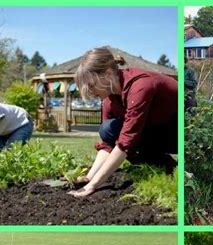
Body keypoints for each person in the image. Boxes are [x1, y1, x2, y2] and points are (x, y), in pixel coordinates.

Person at [70, 47, 178, 198]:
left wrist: (92, 186)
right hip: (157, 129)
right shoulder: (109, 98)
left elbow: (125, 142)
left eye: (92, 85)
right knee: (107, 129)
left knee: (122, 136)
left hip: (180, 132)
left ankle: (178, 168)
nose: (91, 91)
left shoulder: (140, 85)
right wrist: (89, 178)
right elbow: (108, 143)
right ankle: (170, 169)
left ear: (107, 74)